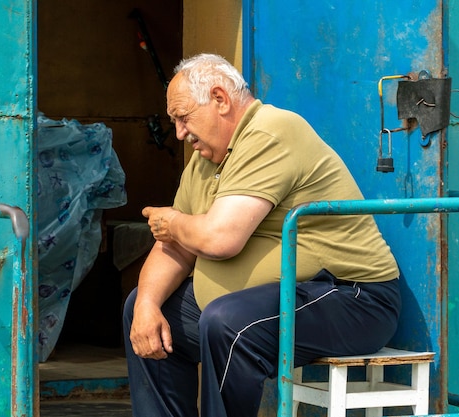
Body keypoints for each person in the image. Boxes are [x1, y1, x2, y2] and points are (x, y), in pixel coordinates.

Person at [122, 53, 401, 417]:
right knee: (143, 309)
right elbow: (174, 248)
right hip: (286, 298)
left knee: (227, 323)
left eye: (183, 117)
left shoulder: (271, 132)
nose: (179, 132)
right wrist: (146, 304)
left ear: (220, 100)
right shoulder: (206, 159)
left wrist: (173, 222)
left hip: (354, 298)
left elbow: (220, 239)